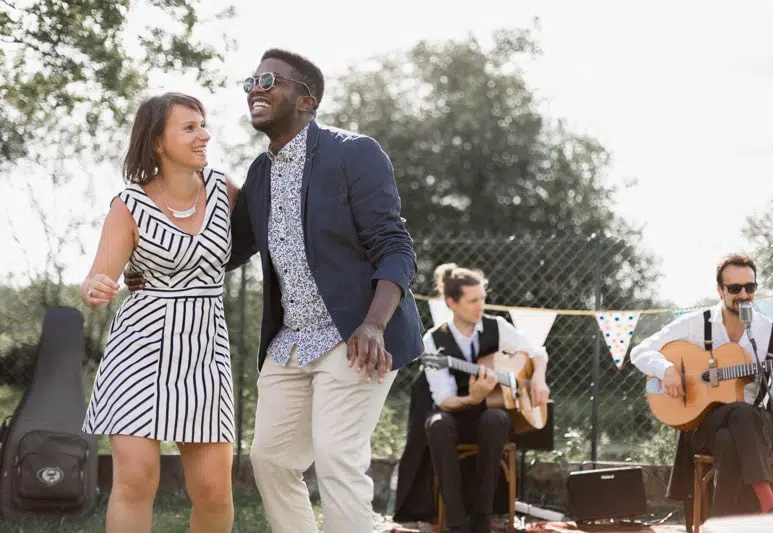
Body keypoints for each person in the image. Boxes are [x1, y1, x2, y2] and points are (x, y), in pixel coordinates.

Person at [127, 48, 424, 533]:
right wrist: (151, 264)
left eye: (269, 81)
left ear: (306, 100)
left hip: (355, 334)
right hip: (290, 342)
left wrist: (374, 324)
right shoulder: (260, 173)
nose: (255, 90)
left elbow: (395, 246)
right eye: (251, 82)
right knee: (270, 461)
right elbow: (225, 249)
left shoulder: (354, 153)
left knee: (337, 457)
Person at [80, 93, 237, 533]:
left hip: (205, 353)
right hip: (139, 351)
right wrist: (95, 288)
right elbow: (97, 277)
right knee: (136, 480)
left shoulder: (224, 190)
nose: (204, 135)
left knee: (213, 490)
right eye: (189, 128)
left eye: (202, 124)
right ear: (157, 142)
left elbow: (250, 242)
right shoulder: (128, 204)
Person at [629, 253, 773, 524]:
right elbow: (640, 351)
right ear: (720, 290)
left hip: (758, 424)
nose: (743, 295)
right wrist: (667, 370)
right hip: (706, 424)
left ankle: (717, 523)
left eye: (750, 287)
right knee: (731, 427)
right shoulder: (697, 323)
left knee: (734, 428)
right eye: (735, 288)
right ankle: (766, 500)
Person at [396, 263, 550, 533]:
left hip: (488, 415)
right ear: (451, 302)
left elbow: (537, 351)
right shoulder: (434, 342)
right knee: (438, 424)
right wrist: (472, 398)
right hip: (454, 413)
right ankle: (456, 523)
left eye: (482, 298)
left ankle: (482, 519)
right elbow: (444, 399)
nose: (481, 306)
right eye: (473, 301)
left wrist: (538, 377)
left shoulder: (497, 326)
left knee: (496, 418)